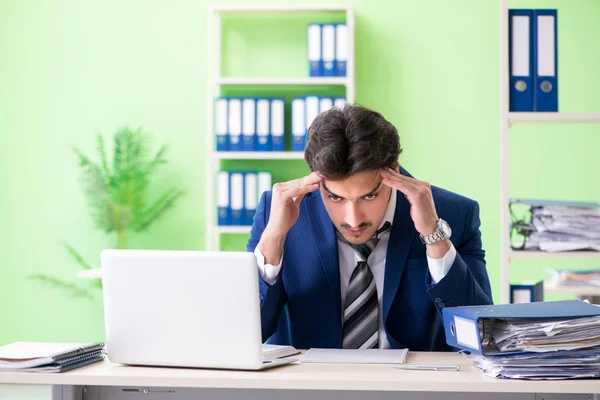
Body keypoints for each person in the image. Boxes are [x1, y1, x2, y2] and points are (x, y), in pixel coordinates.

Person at [247, 104, 493, 351]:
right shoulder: (278, 212)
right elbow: (246, 334)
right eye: (335, 198)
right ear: (316, 178)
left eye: (368, 197)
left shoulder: (454, 215)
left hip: (413, 386)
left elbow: (482, 336)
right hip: (309, 385)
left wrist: (434, 236)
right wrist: (274, 238)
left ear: (393, 173)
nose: (353, 220)